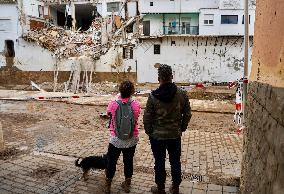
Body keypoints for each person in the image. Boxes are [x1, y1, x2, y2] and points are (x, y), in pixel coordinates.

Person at [143, 64, 192, 194]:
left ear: (159, 78)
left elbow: (147, 117)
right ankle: (175, 187)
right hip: (174, 135)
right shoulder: (182, 94)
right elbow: (187, 114)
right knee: (175, 161)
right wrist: (181, 128)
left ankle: (160, 188)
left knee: (159, 162)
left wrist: (149, 131)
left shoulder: (153, 96)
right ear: (171, 76)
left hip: (157, 137)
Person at [105, 81, 141, 194]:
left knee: (111, 161)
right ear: (132, 91)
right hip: (131, 138)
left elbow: (108, 114)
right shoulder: (135, 104)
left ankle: (108, 184)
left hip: (115, 139)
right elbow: (136, 117)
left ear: (120, 90)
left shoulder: (113, 103)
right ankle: (127, 184)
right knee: (128, 161)